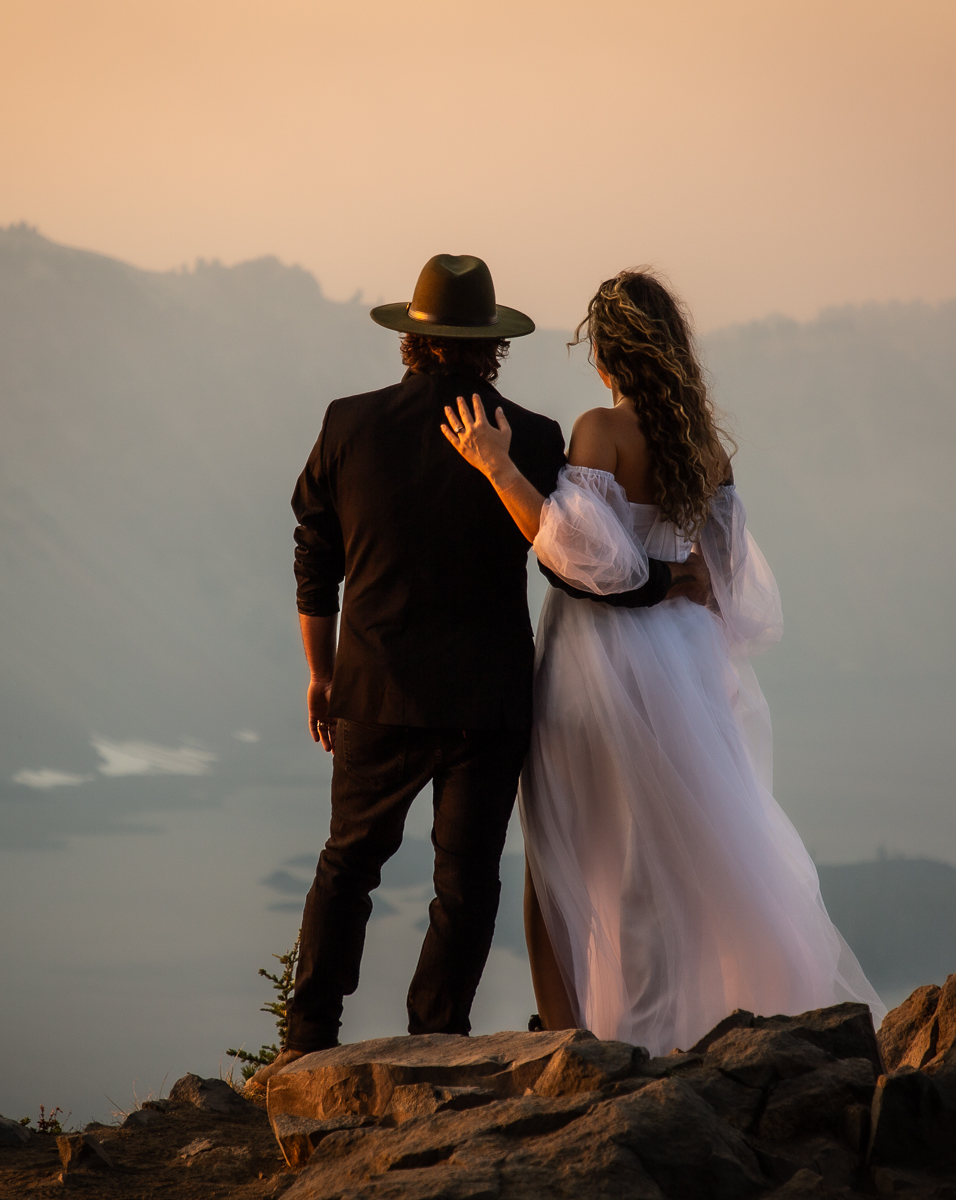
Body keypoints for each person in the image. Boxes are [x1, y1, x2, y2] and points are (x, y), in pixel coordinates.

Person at [252, 255, 705, 1092]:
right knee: (465, 882)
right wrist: (669, 581)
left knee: (348, 863)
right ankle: (439, 1041)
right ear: (491, 347)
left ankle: (307, 1039)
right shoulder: (529, 438)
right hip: (489, 701)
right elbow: (579, 565)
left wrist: (320, 673)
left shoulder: (347, 425)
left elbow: (314, 550)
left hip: (374, 690)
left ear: (412, 341)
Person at [440, 268, 883, 1054]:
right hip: (684, 665)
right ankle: (665, 1027)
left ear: (608, 352)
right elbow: (729, 589)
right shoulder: (705, 449)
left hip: (595, 665)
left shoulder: (599, 430)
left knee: (569, 851)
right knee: (665, 861)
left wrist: (499, 468)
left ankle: (580, 1038)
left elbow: (585, 562)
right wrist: (679, 578)